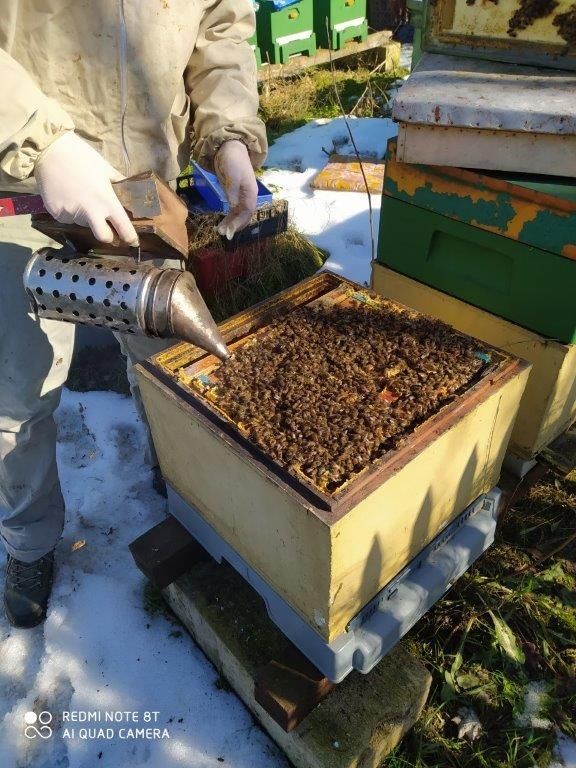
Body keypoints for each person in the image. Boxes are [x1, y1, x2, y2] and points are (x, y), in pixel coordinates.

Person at [0, 0, 267, 629]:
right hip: (18, 186)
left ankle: (189, 498)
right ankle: (28, 543)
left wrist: (227, 135)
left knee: (171, 370)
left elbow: (222, 22)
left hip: (146, 184)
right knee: (14, 400)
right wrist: (40, 139)